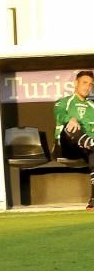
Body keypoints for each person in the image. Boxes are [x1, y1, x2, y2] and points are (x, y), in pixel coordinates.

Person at [53, 70, 94, 210]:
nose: (87, 86)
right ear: (76, 83)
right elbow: (59, 115)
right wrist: (70, 119)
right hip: (66, 147)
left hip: (85, 149)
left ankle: (93, 201)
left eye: (90, 84)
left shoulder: (92, 107)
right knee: (70, 126)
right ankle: (91, 143)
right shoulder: (63, 102)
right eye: (84, 82)